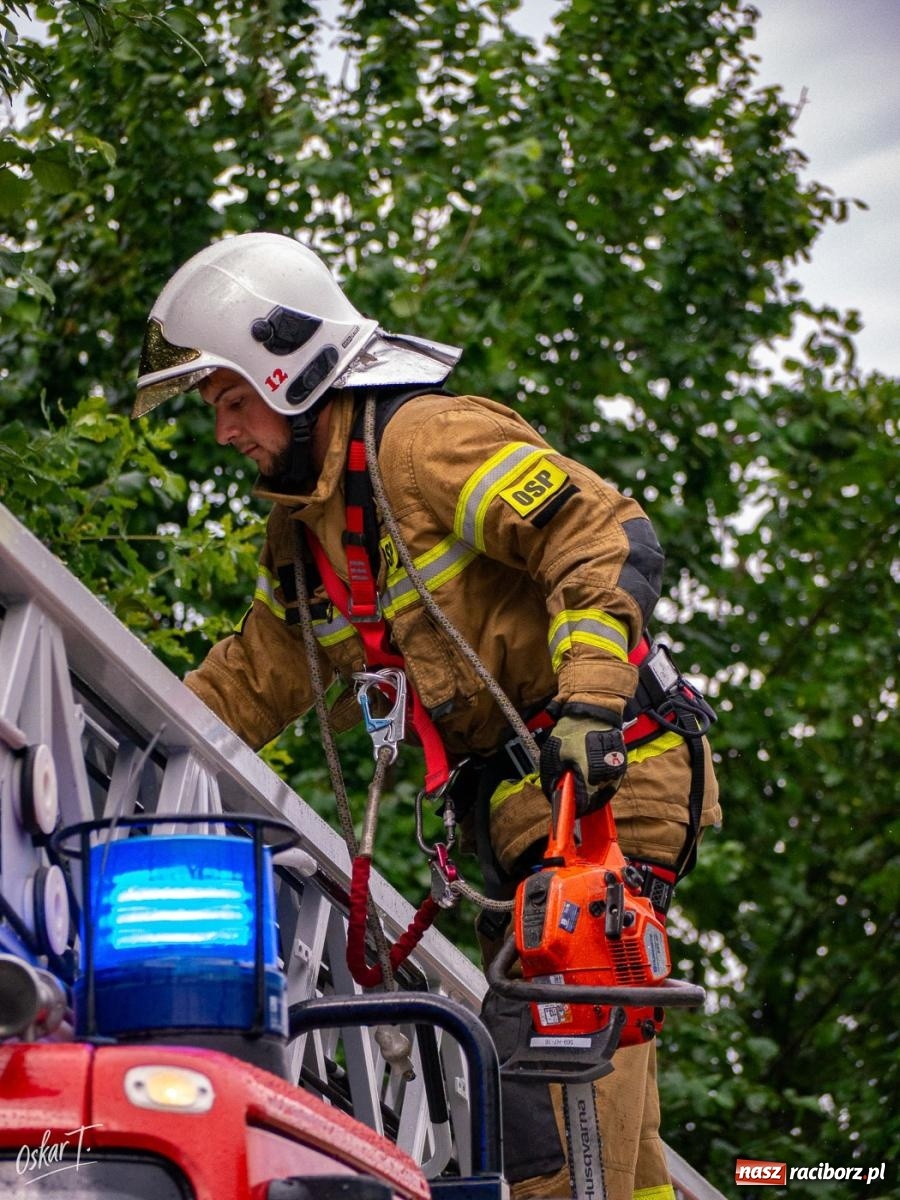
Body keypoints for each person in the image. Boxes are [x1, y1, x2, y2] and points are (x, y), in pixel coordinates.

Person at [134, 231, 721, 1200]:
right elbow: (257, 676)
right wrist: (146, 742)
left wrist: (588, 703)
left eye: (232, 401)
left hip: (604, 777)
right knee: (609, 1118)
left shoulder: (421, 443)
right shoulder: (313, 525)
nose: (225, 432)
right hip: (521, 813)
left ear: (288, 371)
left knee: (543, 1087)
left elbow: (603, 534)